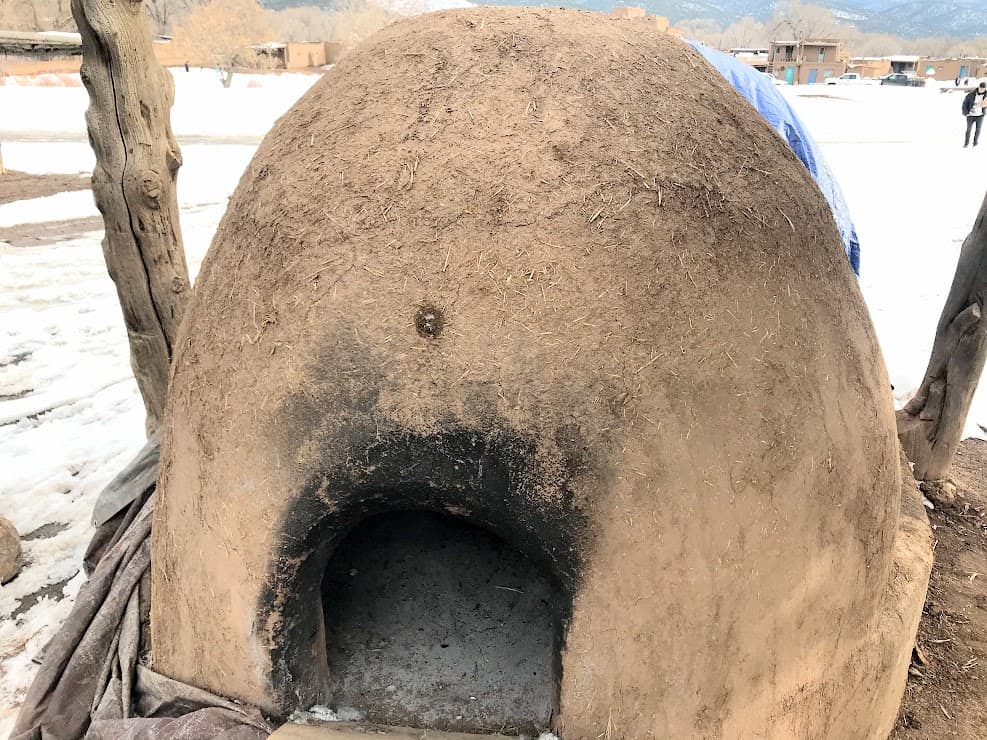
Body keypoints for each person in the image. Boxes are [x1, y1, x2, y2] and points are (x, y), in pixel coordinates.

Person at [963, 81, 987, 148]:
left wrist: (984, 105)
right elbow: (964, 104)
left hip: (980, 115)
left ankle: (975, 143)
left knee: (978, 130)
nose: (982, 90)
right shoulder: (971, 95)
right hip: (970, 115)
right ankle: (966, 143)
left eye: (983, 89)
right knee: (968, 129)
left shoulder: (986, 96)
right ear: (979, 87)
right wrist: (966, 113)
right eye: (981, 88)